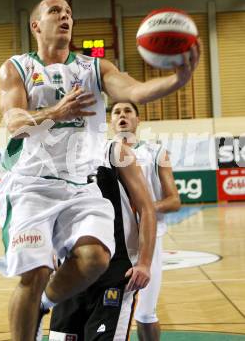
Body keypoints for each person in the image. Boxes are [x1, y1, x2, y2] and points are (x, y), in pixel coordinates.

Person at [0, 0, 199, 341]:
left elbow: (136, 89)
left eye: (69, 13)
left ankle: (45, 299)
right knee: (35, 271)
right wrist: (54, 113)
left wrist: (177, 80)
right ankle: (37, 295)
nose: (65, 16)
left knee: (95, 259)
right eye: (55, 11)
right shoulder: (16, 67)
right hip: (32, 185)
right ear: (36, 25)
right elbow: (14, 120)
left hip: (81, 186)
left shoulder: (93, 68)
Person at [48, 140, 157, 340]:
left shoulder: (114, 151)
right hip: (71, 271)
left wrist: (144, 263)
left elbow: (147, 208)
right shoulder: (56, 157)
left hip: (114, 271)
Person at [110, 101, 181, 341]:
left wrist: (143, 209)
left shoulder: (156, 152)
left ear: (138, 120)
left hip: (147, 240)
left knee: (146, 312)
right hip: (110, 240)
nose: (122, 115)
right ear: (110, 121)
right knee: (108, 308)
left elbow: (174, 201)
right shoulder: (100, 153)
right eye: (116, 112)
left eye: (128, 111)